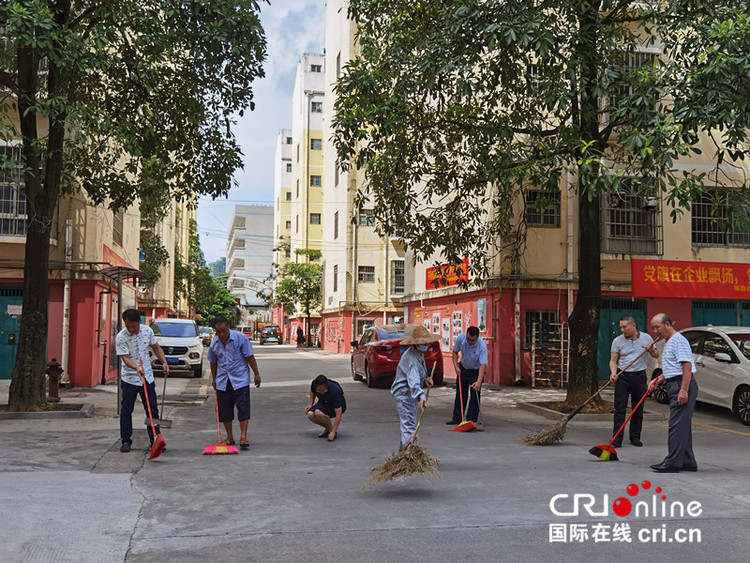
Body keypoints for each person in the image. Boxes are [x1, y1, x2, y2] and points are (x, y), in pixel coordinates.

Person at [648, 313, 698, 473]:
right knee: (682, 425)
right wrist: (658, 380)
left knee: (675, 425)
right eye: (653, 328)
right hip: (674, 382)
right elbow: (672, 368)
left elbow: (686, 366)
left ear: (668, 324)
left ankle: (673, 462)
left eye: (657, 327)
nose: (655, 331)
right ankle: (687, 460)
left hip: (681, 384)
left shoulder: (679, 340)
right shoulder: (668, 342)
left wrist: (683, 390)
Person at [115, 309, 169, 453]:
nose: (132, 330)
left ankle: (155, 440)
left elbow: (156, 347)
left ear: (140, 322)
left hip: (147, 377)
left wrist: (164, 362)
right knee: (126, 410)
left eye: (135, 326)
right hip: (130, 379)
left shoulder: (147, 331)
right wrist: (136, 367)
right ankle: (126, 441)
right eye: (129, 326)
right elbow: (125, 358)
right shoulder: (121, 337)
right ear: (125, 323)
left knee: (152, 410)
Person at [208, 317, 262, 450]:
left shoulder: (241, 338)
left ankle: (243, 436)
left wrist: (256, 374)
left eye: (223, 331)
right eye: (218, 332)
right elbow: (213, 362)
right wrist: (214, 378)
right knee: (225, 410)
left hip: (240, 380)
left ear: (228, 328)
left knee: (243, 408)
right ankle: (229, 437)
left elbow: (250, 357)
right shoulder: (214, 344)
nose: (221, 334)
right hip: (223, 381)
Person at [609, 315, 659, 447]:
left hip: (639, 377)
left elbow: (656, 355)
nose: (622, 330)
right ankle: (617, 439)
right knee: (620, 409)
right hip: (622, 376)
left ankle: (635, 437)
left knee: (638, 409)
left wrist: (652, 350)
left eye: (625, 327)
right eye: (621, 327)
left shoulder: (647, 338)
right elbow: (613, 360)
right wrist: (613, 373)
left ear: (633, 326)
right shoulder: (617, 341)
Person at [391, 325, 439, 450]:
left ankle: (407, 450)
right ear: (417, 343)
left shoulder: (418, 353)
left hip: (408, 392)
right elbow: (413, 381)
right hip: (404, 393)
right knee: (409, 424)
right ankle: (408, 454)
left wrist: (426, 379)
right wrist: (421, 396)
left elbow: (419, 374)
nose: (427, 345)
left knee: (410, 422)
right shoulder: (411, 358)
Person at [447, 326, 487, 425]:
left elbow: (483, 365)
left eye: (472, 340)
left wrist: (478, 381)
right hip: (463, 368)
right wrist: (456, 366)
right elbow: (455, 352)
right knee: (460, 394)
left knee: (474, 395)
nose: (470, 342)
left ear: (478, 337)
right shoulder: (461, 338)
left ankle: (471, 420)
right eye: (468, 339)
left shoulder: (482, 346)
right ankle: (457, 417)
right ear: (466, 335)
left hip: (476, 371)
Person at [305, 374, 346, 441]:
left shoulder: (335, 390)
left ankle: (332, 432)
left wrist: (333, 432)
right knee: (310, 414)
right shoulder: (314, 384)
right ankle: (329, 429)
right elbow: (312, 392)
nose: (322, 393)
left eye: (324, 391)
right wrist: (310, 404)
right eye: (319, 391)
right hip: (323, 402)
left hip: (335, 405)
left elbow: (339, 415)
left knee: (318, 413)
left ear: (327, 386)